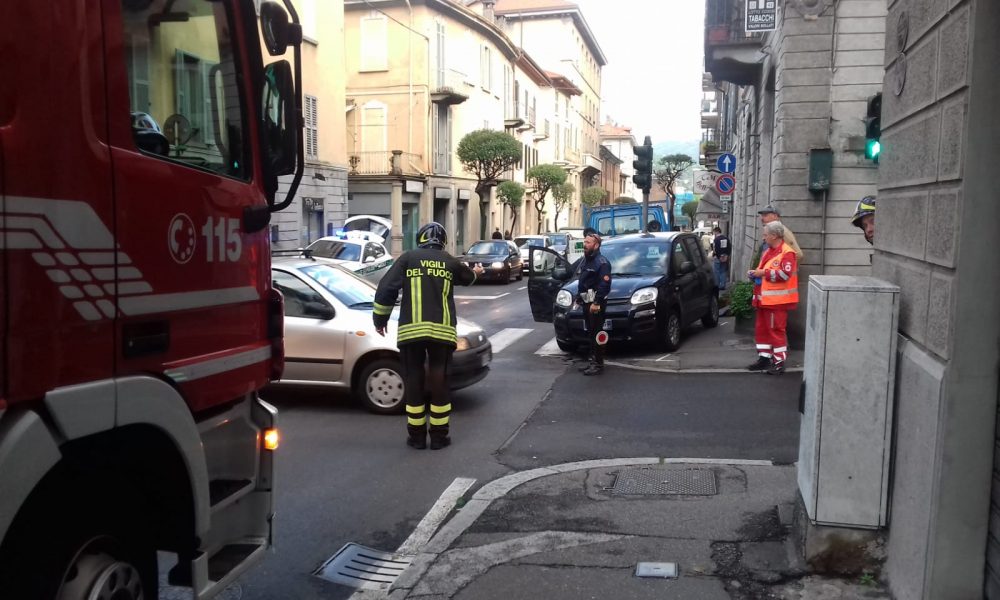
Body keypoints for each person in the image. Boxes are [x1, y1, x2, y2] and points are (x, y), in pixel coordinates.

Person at [373, 222, 484, 450]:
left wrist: (380, 320)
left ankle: (416, 438)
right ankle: (439, 437)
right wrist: (477, 272)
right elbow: (468, 278)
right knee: (439, 381)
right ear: (442, 240)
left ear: (420, 239)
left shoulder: (407, 258)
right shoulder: (449, 260)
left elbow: (386, 289)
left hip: (411, 331)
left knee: (413, 380)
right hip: (441, 331)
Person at [746, 221, 798, 375]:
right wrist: (755, 274)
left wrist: (762, 274)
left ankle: (779, 363)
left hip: (777, 302)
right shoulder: (768, 251)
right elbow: (766, 271)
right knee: (762, 331)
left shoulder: (787, 252)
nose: (764, 238)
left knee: (776, 331)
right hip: (764, 301)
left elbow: (784, 274)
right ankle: (764, 358)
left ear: (774, 235)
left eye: (765, 235)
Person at [575, 231, 612, 376]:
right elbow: (584, 282)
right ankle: (592, 361)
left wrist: (597, 302)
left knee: (597, 333)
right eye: (584, 242)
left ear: (596, 245)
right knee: (590, 333)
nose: (585, 245)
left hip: (595, 304)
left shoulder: (601, 262)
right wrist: (579, 298)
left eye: (588, 243)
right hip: (587, 302)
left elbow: (604, 284)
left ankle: (598, 363)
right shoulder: (587, 260)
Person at [711, 226, 731, 290]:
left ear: (716, 231)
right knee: (723, 271)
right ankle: (722, 285)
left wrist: (718, 256)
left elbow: (715, 249)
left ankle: (717, 284)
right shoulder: (726, 238)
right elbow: (729, 248)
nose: (714, 234)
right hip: (725, 257)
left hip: (717, 257)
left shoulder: (716, 239)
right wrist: (727, 255)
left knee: (716, 271)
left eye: (714, 232)